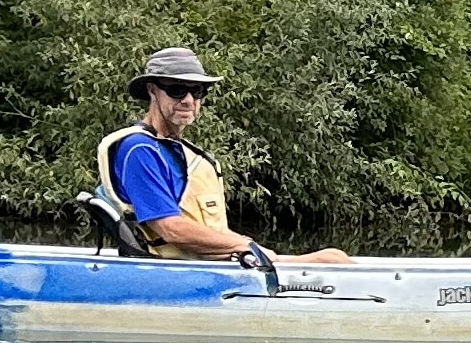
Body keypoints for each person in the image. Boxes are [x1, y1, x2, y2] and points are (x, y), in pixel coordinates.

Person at [92, 47, 350, 266]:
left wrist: (249, 249)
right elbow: (171, 229)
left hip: (210, 264)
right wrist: (246, 245)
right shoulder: (140, 151)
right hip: (180, 273)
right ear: (152, 90)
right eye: (176, 90)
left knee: (334, 257)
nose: (189, 100)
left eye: (198, 91)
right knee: (334, 261)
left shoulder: (176, 149)